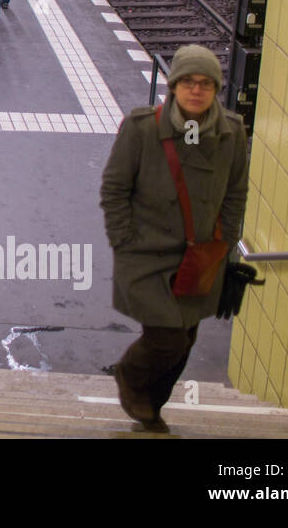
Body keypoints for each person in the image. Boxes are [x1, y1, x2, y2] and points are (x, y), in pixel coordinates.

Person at [99, 44, 247, 434]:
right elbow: (115, 188)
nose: (196, 91)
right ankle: (130, 376)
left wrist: (225, 240)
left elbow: (235, 192)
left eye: (205, 84)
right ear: (173, 86)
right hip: (146, 254)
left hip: (200, 255)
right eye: (187, 82)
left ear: (215, 90)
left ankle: (153, 407)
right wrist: (123, 239)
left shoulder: (231, 132)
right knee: (166, 338)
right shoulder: (143, 127)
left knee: (186, 339)